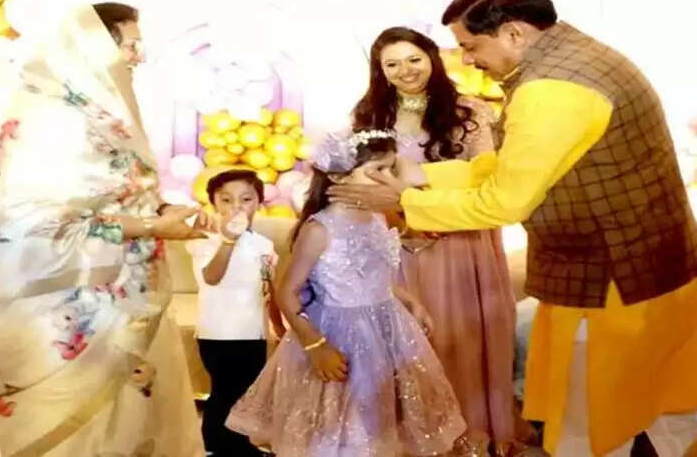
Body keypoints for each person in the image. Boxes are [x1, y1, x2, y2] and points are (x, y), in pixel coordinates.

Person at [327, 0, 697, 456]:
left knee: (591, 424)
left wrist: (404, 201)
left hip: (613, 282)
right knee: (669, 413)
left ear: (513, 33)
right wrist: (422, 176)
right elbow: (514, 165)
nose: (467, 60)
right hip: (646, 272)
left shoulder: (551, 91)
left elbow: (506, 201)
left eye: (470, 46)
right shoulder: (574, 59)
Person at [0, 4, 206, 457]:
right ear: (93, 49)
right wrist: (150, 225)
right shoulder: (50, 119)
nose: (138, 57)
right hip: (58, 299)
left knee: (128, 415)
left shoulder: (99, 112)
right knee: (75, 429)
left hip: (116, 292)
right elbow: (32, 222)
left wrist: (160, 209)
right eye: (130, 45)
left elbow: (117, 190)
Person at [225, 130, 466, 456]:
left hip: (386, 327)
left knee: (377, 417)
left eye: (391, 169)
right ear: (338, 177)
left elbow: (371, 277)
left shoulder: (379, 218)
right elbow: (287, 293)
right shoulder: (321, 229)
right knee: (340, 423)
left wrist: (412, 302)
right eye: (376, 170)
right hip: (339, 335)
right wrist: (315, 345)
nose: (388, 179)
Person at [352, 26, 519, 457]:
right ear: (380, 70)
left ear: (432, 58)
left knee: (460, 335)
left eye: (414, 59)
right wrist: (400, 216)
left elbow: (488, 175)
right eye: (392, 64)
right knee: (410, 340)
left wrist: (429, 201)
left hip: (461, 238)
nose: (405, 71)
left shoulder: (469, 110)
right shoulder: (368, 116)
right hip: (397, 239)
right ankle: (416, 435)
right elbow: (358, 177)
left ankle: (470, 433)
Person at [186, 169, 286, 457]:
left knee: (246, 392)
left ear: (259, 203)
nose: (237, 207)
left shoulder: (264, 245)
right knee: (225, 391)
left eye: (246, 199)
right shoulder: (204, 238)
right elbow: (211, 277)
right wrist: (228, 240)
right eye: (227, 200)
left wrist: (278, 326)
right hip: (218, 332)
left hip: (254, 331)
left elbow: (269, 288)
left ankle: (239, 447)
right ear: (214, 204)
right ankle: (215, 448)